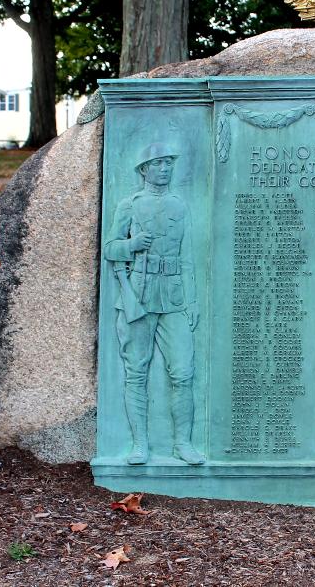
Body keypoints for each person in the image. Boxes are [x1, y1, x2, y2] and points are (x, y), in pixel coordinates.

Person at [104, 143, 204, 465]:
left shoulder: (179, 205)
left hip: (174, 297)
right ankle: (139, 445)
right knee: (136, 372)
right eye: (158, 163)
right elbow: (110, 248)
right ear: (144, 169)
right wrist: (131, 245)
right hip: (139, 295)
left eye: (168, 163)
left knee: (183, 372)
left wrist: (191, 300)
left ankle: (183, 444)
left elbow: (188, 257)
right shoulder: (129, 205)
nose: (164, 168)